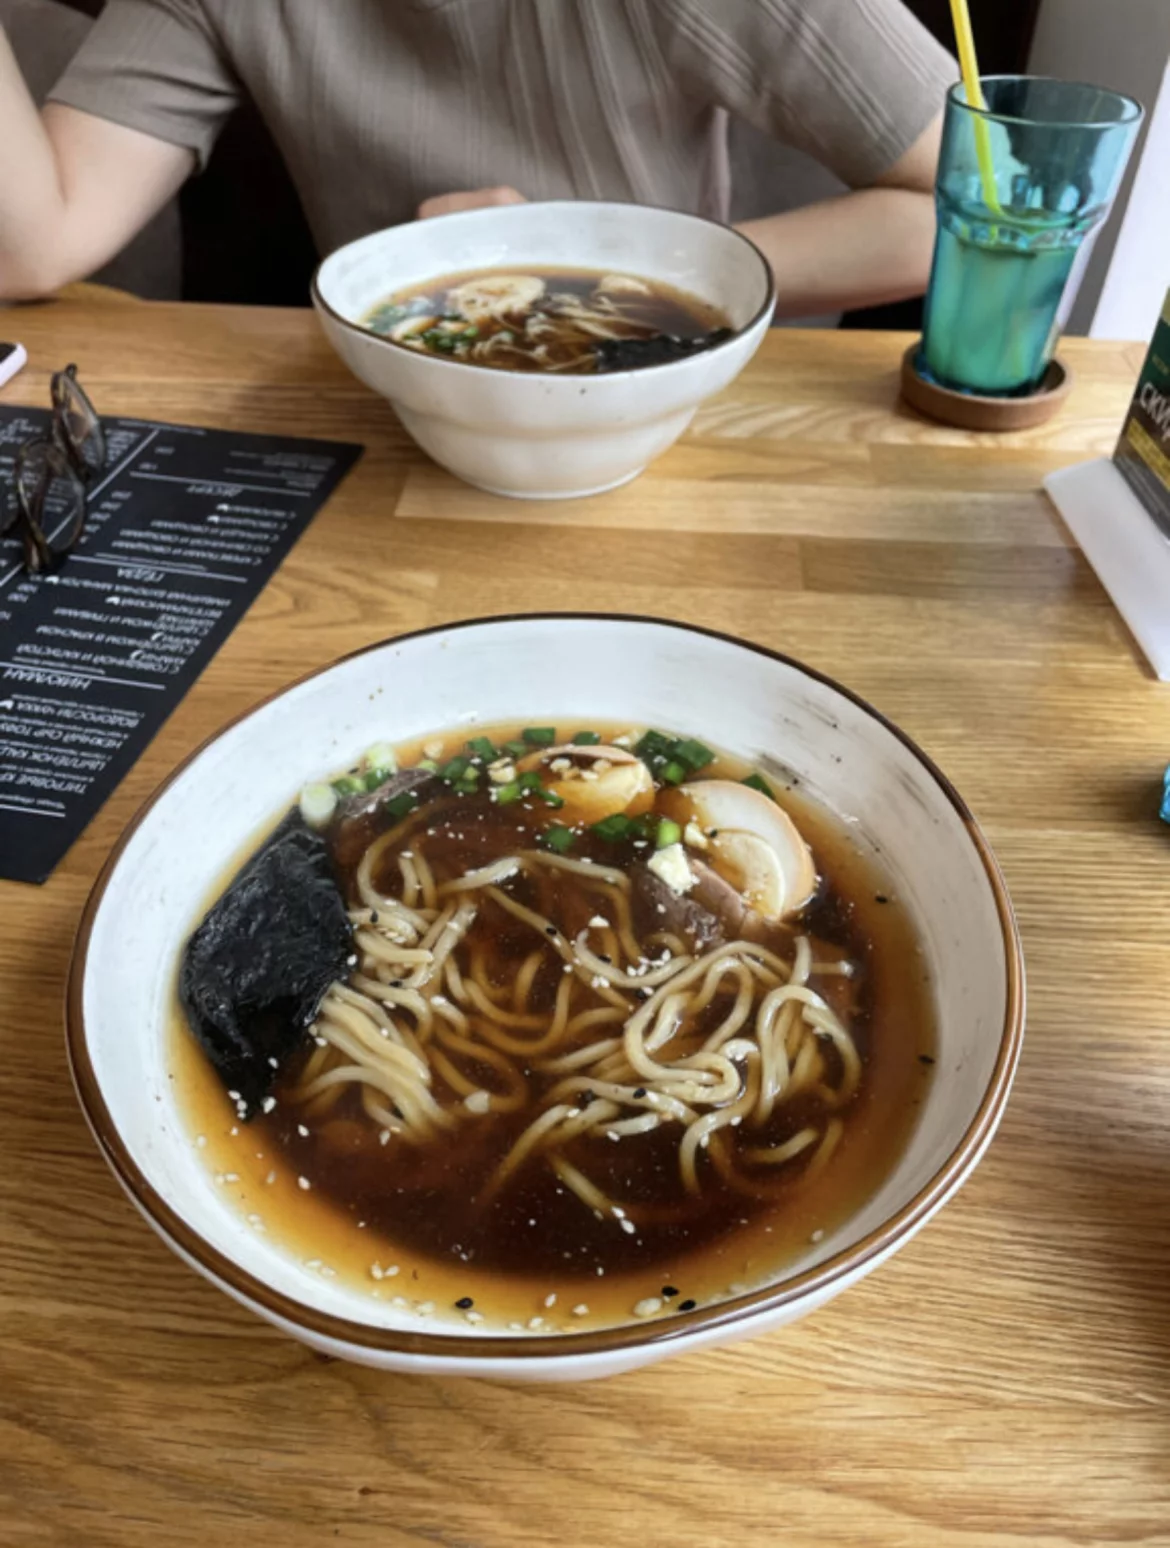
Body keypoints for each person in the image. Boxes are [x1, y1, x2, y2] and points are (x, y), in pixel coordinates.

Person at [0, 0, 954, 314]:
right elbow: (32, 248)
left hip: (655, 415)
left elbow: (980, 201)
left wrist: (583, 261)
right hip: (389, 423)